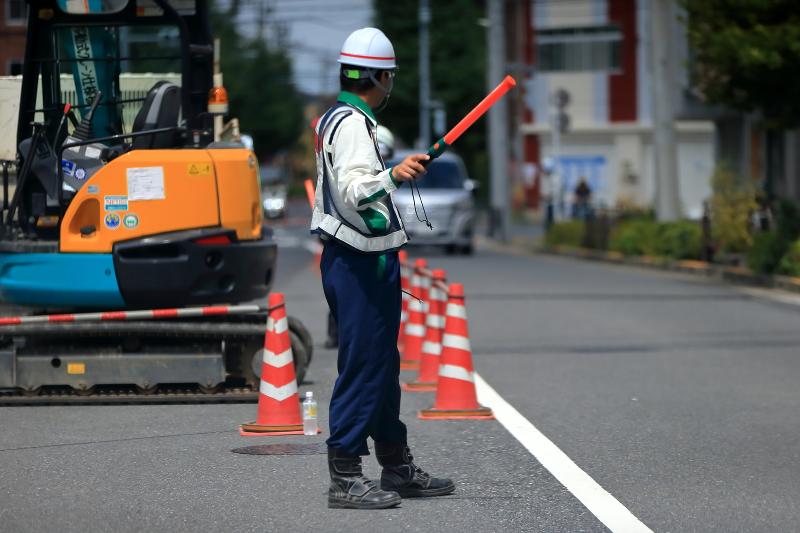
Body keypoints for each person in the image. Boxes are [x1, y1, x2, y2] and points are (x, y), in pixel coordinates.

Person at [310, 27, 455, 510]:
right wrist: (393, 174)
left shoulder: (343, 117)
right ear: (378, 76)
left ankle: (395, 464)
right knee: (364, 366)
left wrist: (397, 168)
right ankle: (346, 474)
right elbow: (355, 189)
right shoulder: (352, 124)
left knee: (382, 366)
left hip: (362, 259)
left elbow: (358, 181)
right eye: (388, 77)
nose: (390, 84)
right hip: (358, 261)